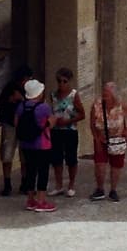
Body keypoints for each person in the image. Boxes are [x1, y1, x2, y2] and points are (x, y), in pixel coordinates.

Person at [88, 80, 127, 202]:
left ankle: (113, 190)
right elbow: (92, 124)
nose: (104, 95)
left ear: (113, 95)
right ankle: (100, 189)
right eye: (104, 92)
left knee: (116, 166)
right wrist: (96, 139)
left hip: (118, 140)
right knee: (99, 165)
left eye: (107, 93)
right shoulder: (96, 105)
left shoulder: (121, 105)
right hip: (101, 138)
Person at [16, 79, 56, 212]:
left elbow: (16, 122)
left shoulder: (21, 106)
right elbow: (52, 122)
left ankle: (30, 200)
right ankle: (41, 201)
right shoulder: (44, 107)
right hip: (42, 144)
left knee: (30, 171)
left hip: (26, 145)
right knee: (43, 172)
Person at [47, 68, 86, 196]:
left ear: (69, 81)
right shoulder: (53, 95)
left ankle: (71, 185)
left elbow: (82, 114)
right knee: (56, 159)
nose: (61, 84)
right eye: (59, 81)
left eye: (64, 81)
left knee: (71, 158)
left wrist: (68, 121)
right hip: (56, 131)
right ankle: (58, 185)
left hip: (70, 131)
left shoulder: (74, 95)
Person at [0, 63, 32, 196]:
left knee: (25, 156)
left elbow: (34, 104)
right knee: (7, 154)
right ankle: (7, 183)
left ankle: (25, 183)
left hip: (23, 125)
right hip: (9, 125)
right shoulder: (10, 87)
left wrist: (21, 99)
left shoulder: (30, 90)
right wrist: (10, 99)